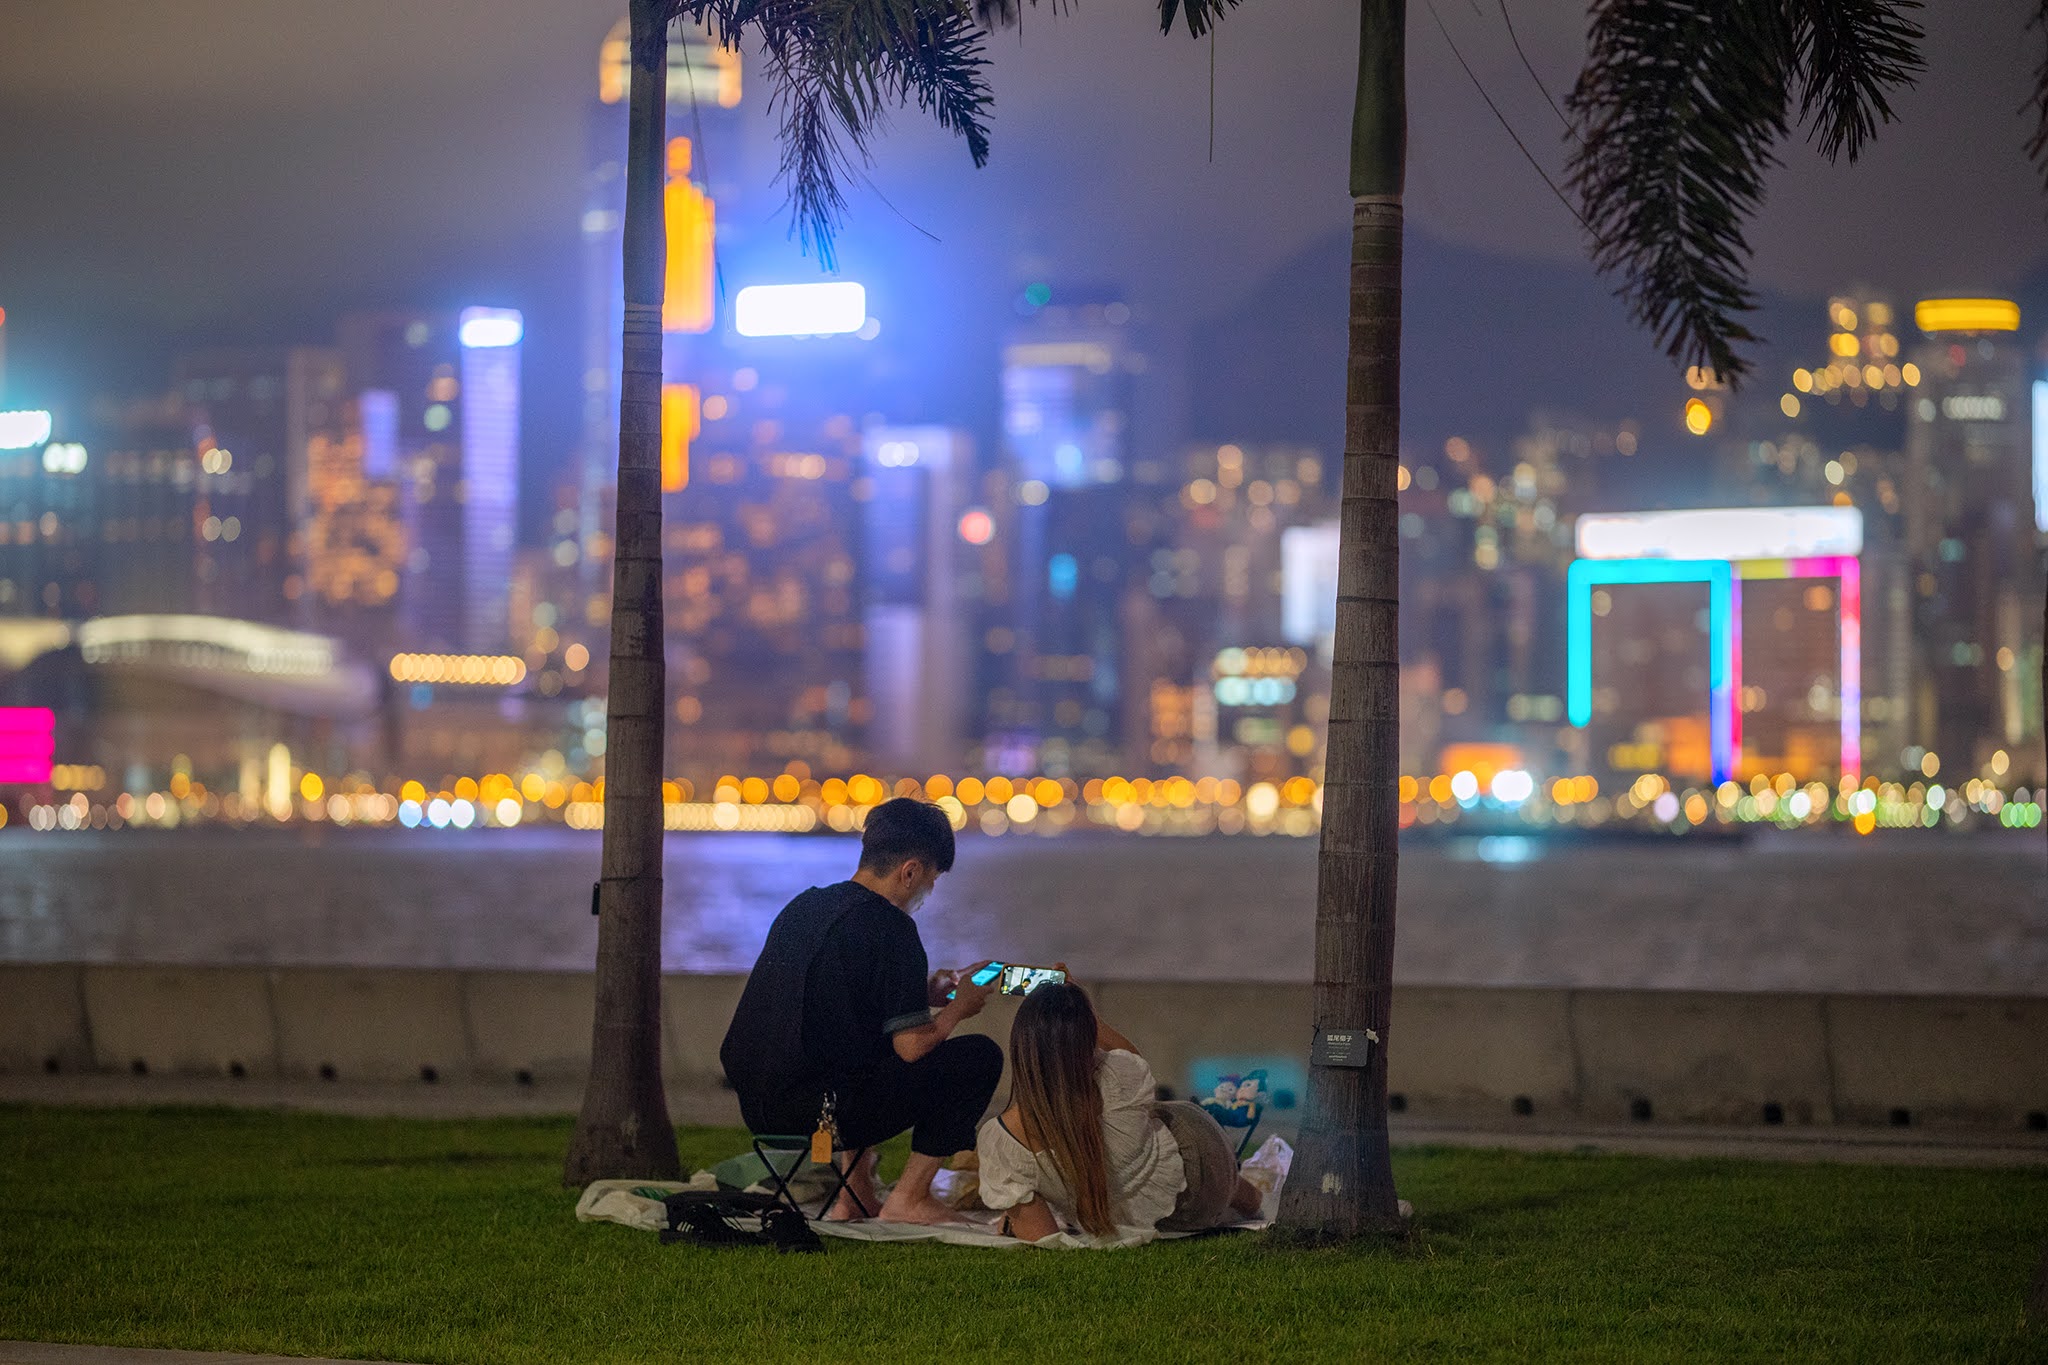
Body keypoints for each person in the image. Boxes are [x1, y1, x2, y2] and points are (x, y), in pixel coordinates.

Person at [719, 797, 1002, 1224]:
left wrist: (923, 993)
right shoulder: (893, 929)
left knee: (860, 1043)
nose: (929, 891)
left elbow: (834, 999)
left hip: (761, 1107)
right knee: (978, 1058)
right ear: (910, 871)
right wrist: (959, 1009)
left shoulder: (805, 907)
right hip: (821, 1114)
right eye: (932, 878)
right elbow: (912, 1048)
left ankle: (856, 1196)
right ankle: (910, 1198)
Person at [975, 980, 1265, 1245]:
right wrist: (1086, 1015)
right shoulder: (1117, 1075)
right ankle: (1247, 1192)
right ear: (1088, 1038)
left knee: (1219, 1176)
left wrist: (1017, 1213)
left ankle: (1242, 1190)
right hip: (1198, 1162)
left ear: (1021, 1048)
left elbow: (1046, 1239)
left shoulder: (1002, 1140)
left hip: (1181, 1201)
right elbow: (1132, 1056)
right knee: (1239, 1190)